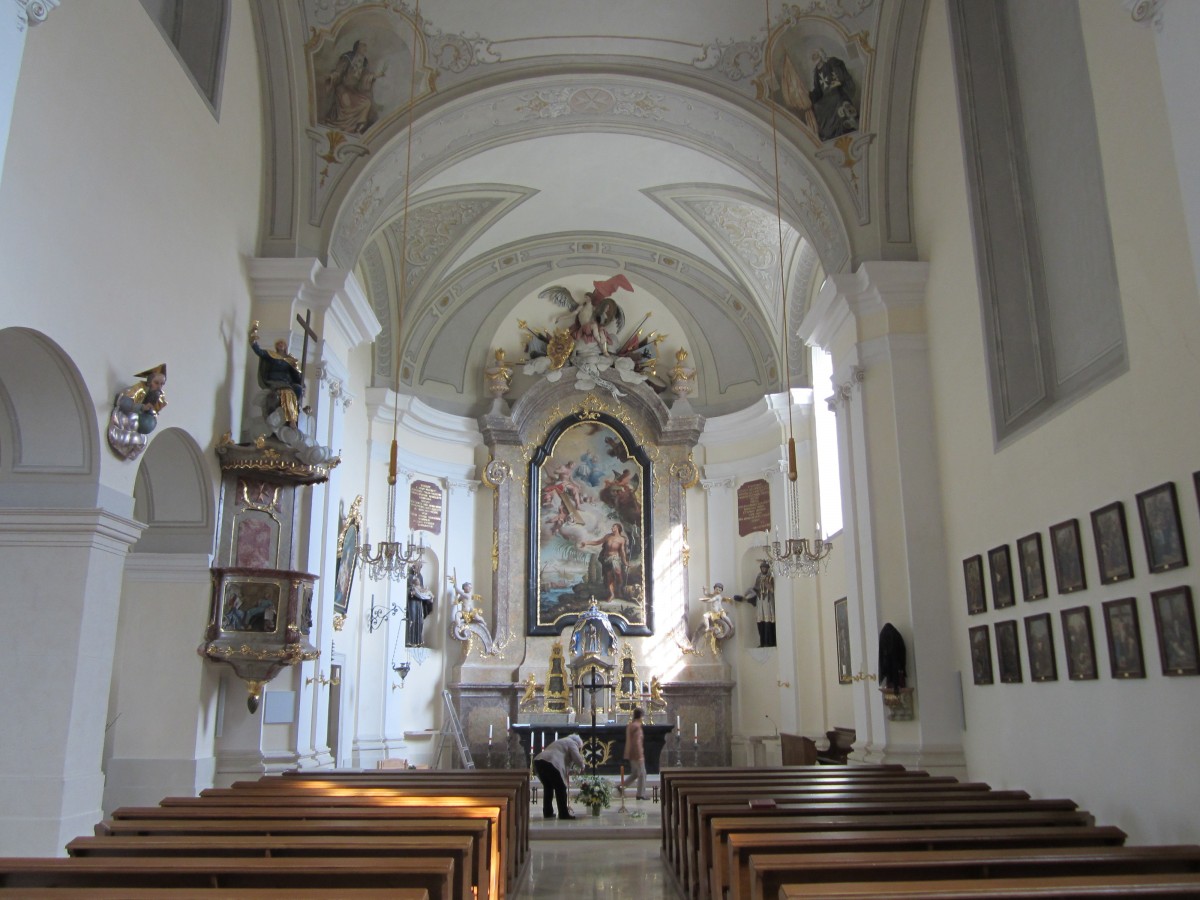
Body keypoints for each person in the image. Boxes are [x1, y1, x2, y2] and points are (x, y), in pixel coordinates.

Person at [249, 322, 305, 428]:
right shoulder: (271, 355)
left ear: (285, 347)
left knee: (293, 391)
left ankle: (292, 419)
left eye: (282, 344)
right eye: (278, 344)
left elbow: (296, 375)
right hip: (274, 381)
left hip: (286, 382)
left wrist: (298, 373)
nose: (280, 345)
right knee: (287, 392)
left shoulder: (289, 360)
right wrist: (253, 341)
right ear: (276, 346)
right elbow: (259, 352)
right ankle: (291, 419)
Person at [809, 48, 859, 142]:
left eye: (815, 55)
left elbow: (839, 76)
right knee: (817, 106)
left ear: (820, 55)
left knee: (836, 98)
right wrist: (810, 95)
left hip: (835, 91)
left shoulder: (829, 64)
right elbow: (818, 89)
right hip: (825, 96)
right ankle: (828, 132)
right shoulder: (816, 72)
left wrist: (837, 81)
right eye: (813, 57)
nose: (814, 58)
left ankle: (841, 126)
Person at [534, 733, 584, 820]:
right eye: (579, 748)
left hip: (539, 761)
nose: (579, 749)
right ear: (578, 744)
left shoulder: (561, 741)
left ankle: (548, 812)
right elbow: (577, 758)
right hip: (551, 762)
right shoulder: (572, 743)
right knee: (560, 788)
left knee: (548, 787)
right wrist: (582, 766)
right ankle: (563, 814)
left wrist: (573, 771)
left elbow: (563, 766)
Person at [578, 523, 629, 600]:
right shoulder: (608, 536)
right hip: (606, 559)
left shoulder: (622, 539)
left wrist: (624, 561)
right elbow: (597, 542)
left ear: (618, 528)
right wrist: (586, 543)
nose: (612, 528)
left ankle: (619, 589)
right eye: (612, 527)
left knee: (618, 573)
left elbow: (622, 551)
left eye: (613, 527)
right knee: (609, 577)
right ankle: (612, 594)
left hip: (615, 558)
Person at [116, 364, 168, 435]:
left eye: (162, 384)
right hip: (129, 418)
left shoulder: (158, 396)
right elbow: (124, 403)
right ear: (149, 382)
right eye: (156, 383)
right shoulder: (139, 389)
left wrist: (151, 411)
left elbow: (154, 412)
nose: (159, 387)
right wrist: (142, 407)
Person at [736, 560, 777, 647]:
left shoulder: (770, 577)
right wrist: (747, 595)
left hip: (768, 601)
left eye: (765, 568)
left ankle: (770, 642)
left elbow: (773, 590)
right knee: (760, 620)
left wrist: (768, 585)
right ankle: (762, 642)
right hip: (760, 600)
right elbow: (756, 588)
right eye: (762, 567)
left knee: (768, 620)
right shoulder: (759, 576)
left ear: (767, 569)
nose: (764, 569)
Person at [617, 708, 648, 800]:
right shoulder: (637, 726)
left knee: (635, 773)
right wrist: (640, 755)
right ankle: (640, 794)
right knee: (642, 774)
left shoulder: (630, 725)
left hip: (630, 752)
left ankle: (621, 786)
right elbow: (637, 742)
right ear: (641, 716)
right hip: (637, 754)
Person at [405, 561, 434, 647]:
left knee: (420, 621)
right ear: (414, 567)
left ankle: (418, 641)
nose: (419, 569)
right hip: (412, 602)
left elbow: (421, 589)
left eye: (420, 567)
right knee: (412, 620)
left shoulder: (420, 576)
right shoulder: (410, 576)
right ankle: (410, 640)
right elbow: (409, 589)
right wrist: (412, 592)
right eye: (418, 567)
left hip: (419, 602)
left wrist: (426, 594)